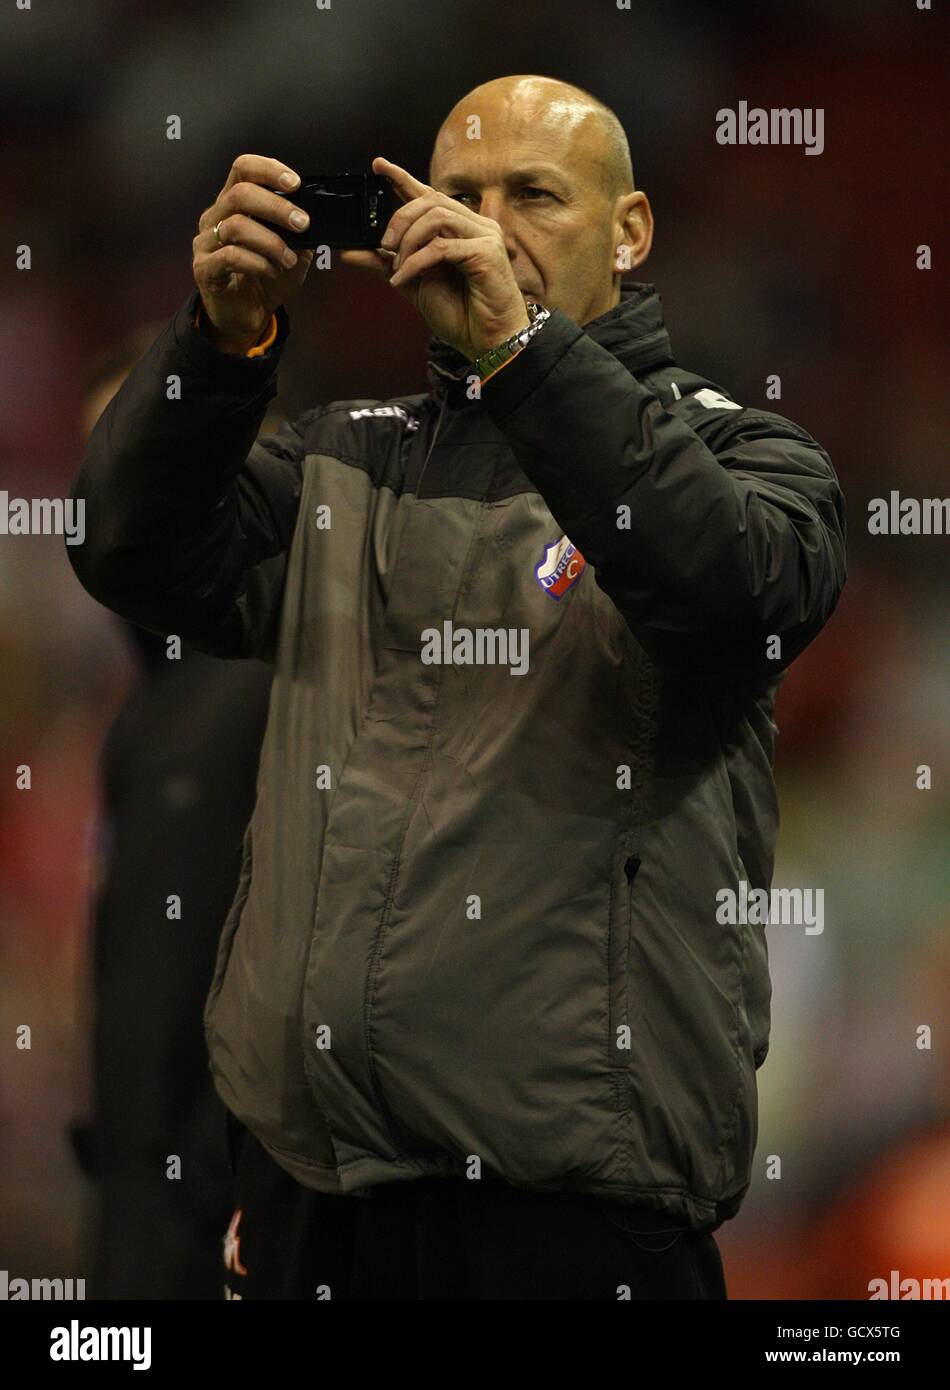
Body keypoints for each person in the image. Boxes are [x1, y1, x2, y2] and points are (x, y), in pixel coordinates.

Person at [66, 74, 847, 1300]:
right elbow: (126, 548)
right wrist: (214, 349)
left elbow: (727, 591)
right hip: (306, 1208)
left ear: (629, 231)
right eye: (461, 194)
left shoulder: (744, 455)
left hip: (571, 1228)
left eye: (533, 194)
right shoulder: (342, 455)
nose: (486, 224)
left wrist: (518, 356)